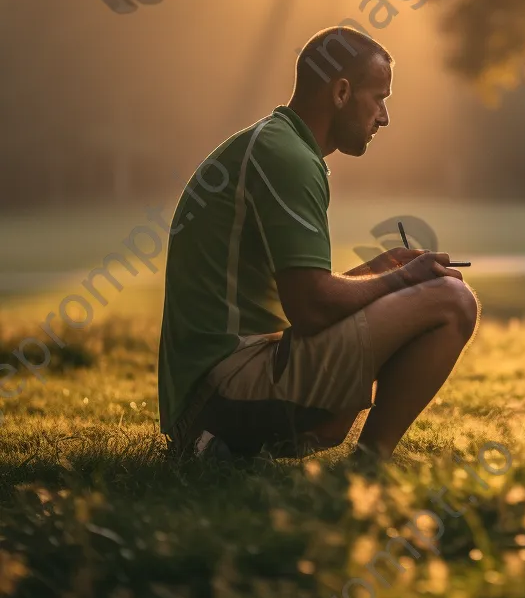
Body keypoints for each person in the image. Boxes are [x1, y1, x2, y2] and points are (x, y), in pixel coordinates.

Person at [158, 26, 478, 462]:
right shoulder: (287, 158)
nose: (384, 117)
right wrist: (404, 277)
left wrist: (380, 271)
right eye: (379, 98)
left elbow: (303, 293)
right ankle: (370, 461)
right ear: (342, 92)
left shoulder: (277, 144)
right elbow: (311, 309)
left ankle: (228, 446)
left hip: (207, 389)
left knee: (423, 295)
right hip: (222, 387)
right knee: (452, 300)